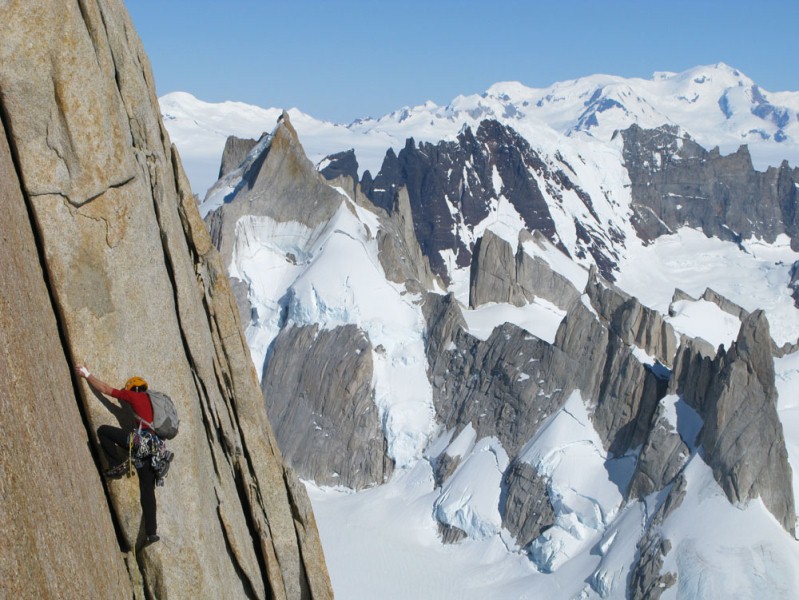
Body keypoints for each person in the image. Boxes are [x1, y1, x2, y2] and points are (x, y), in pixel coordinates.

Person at [75, 364, 173, 547]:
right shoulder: (156, 403)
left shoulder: (133, 395)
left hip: (140, 444)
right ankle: (152, 533)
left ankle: (115, 465)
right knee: (147, 491)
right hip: (155, 452)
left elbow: (106, 390)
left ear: (132, 388)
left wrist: (87, 374)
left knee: (103, 431)